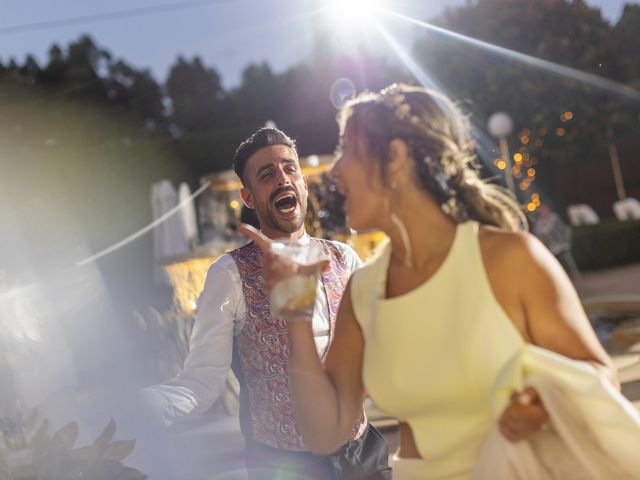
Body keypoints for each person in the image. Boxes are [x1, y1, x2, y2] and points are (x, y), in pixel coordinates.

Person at [240, 85, 619, 479]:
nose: (335, 171)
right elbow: (324, 434)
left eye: (348, 150)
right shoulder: (365, 290)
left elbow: (598, 377)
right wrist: (296, 311)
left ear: (395, 158)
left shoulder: (509, 258)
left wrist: (545, 403)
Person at [149, 127, 391, 480]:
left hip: (362, 454)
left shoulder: (345, 258)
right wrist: (144, 407)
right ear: (248, 197)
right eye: (267, 174)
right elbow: (202, 380)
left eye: (290, 169)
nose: (282, 179)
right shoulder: (228, 273)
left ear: (304, 184)